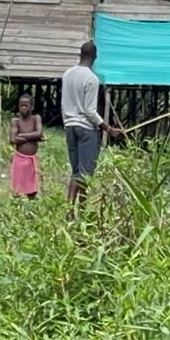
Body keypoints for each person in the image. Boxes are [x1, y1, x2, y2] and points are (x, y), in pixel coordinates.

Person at [62, 41, 122, 212]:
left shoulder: (67, 74)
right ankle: (76, 211)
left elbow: (63, 104)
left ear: (80, 55)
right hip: (86, 129)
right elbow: (89, 111)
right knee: (85, 173)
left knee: (76, 171)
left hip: (70, 126)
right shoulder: (91, 79)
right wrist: (108, 129)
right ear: (95, 57)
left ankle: (73, 210)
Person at [10, 95, 43, 200]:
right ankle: (16, 211)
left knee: (32, 190)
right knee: (17, 190)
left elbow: (39, 133)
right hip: (19, 158)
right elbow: (12, 139)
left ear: (32, 107)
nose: (23, 108)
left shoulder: (36, 118)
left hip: (32, 159)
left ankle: (31, 213)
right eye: (21, 106)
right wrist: (33, 137)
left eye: (26, 106)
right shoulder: (16, 121)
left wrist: (22, 135)